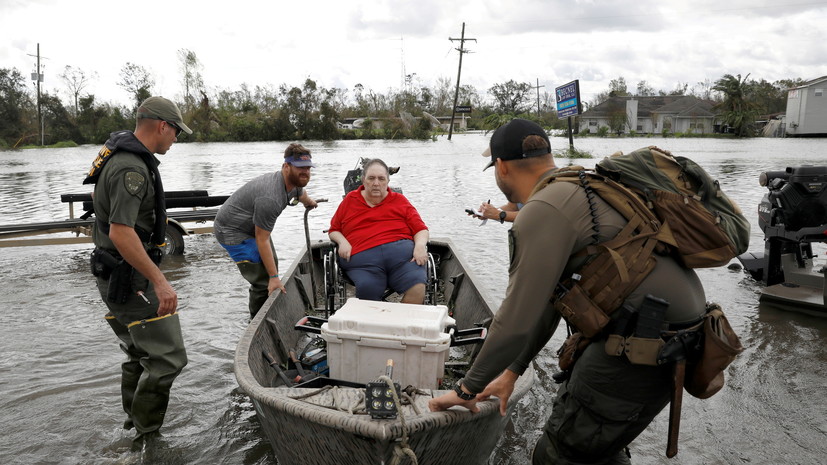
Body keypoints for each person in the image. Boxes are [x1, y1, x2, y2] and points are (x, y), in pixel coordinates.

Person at [429, 119, 707, 464]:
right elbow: (551, 303)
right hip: (675, 338)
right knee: (596, 448)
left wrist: (466, 389)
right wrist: (511, 372)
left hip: (644, 346)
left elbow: (515, 321)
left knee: (556, 455)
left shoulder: (541, 210)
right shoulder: (581, 183)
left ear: (501, 167)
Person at [83, 96, 192, 443]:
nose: (176, 138)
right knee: (167, 358)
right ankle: (148, 437)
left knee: (138, 352)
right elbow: (121, 231)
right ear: (162, 125)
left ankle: (132, 425)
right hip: (129, 279)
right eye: (176, 131)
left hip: (117, 274)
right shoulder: (130, 167)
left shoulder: (121, 156)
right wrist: (161, 282)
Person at [214, 143, 318, 317]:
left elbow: (300, 193)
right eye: (300, 168)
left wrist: (309, 202)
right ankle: (256, 321)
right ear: (286, 167)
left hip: (252, 226)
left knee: (272, 265)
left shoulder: (294, 182)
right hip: (231, 231)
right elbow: (262, 239)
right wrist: (273, 278)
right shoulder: (270, 198)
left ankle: (270, 302)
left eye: (308, 168)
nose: (305, 172)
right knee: (263, 281)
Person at [328, 158, 429, 304]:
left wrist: (420, 246)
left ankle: (400, 325)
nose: (376, 183)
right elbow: (334, 229)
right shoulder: (350, 200)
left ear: (387, 181)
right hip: (364, 262)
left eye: (381, 179)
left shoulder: (399, 200)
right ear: (363, 180)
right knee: (368, 289)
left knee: (417, 286)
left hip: (402, 260)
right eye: (371, 178)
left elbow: (421, 229)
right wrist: (342, 242)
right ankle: (377, 322)